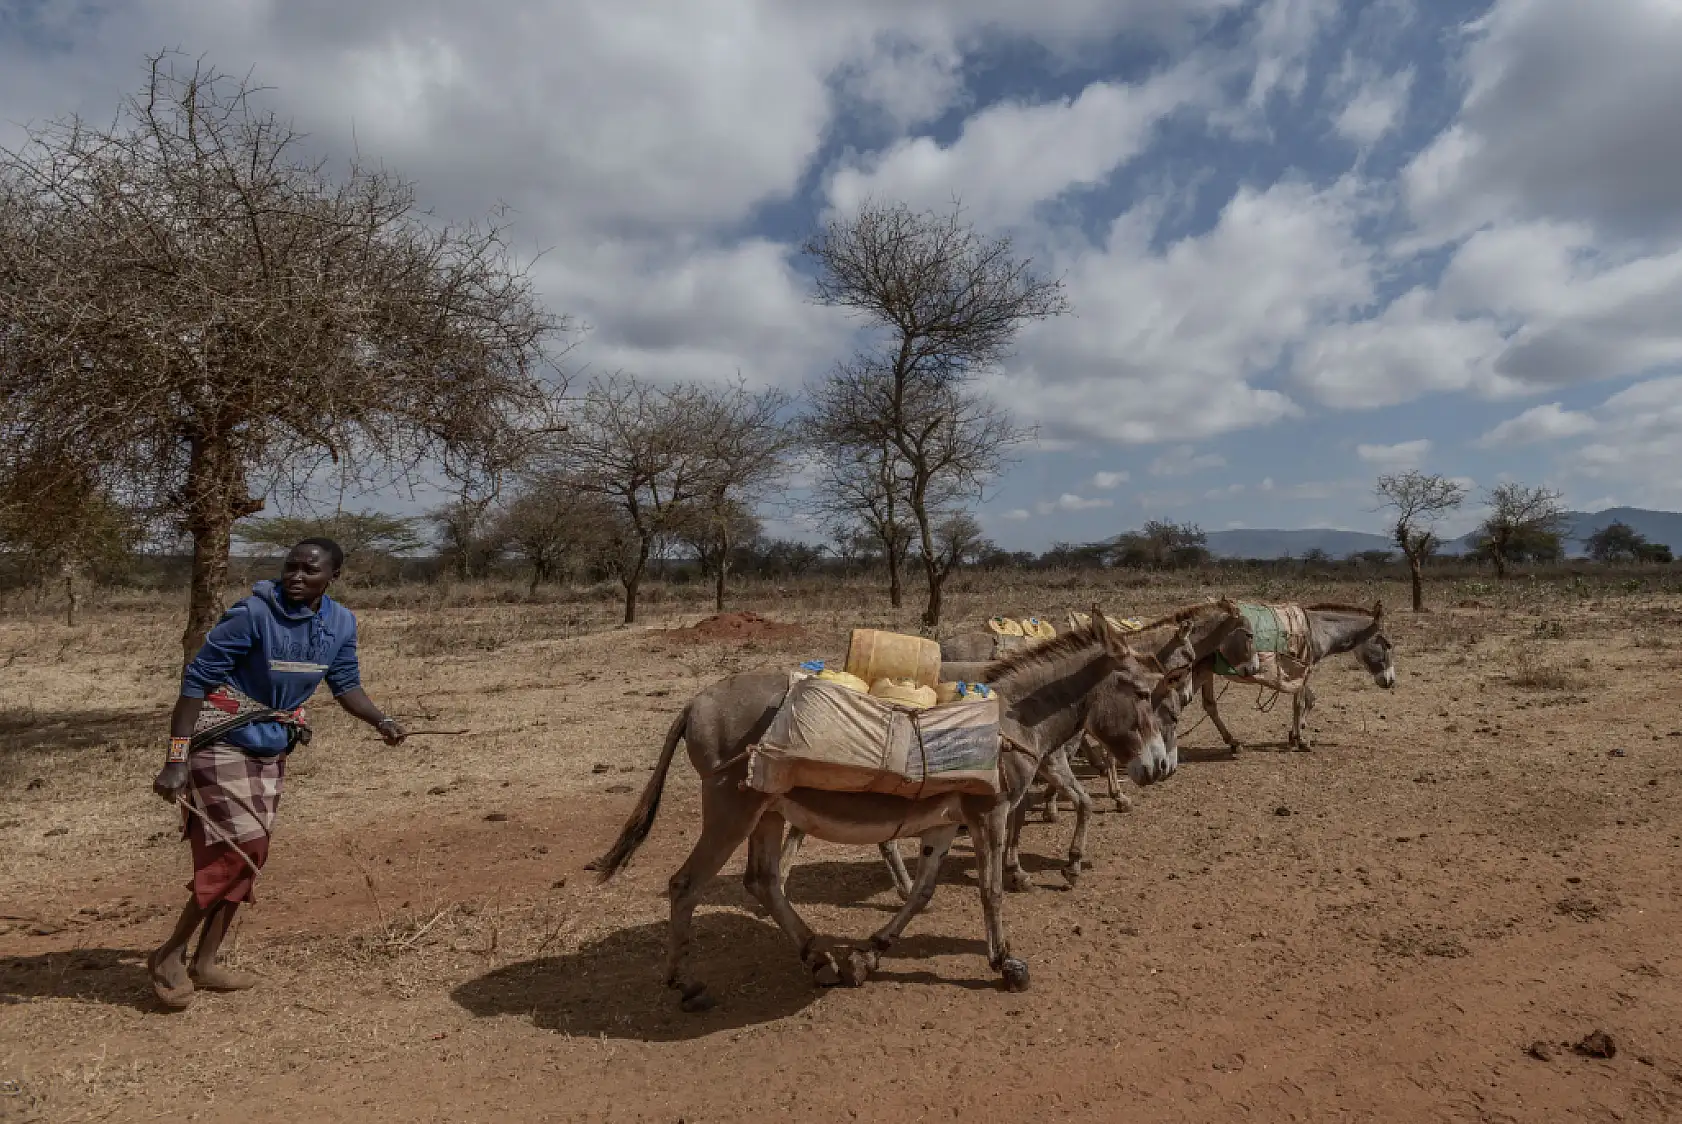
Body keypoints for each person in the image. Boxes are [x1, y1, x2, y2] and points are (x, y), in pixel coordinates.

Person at [146, 537, 406, 1009]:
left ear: (333, 577)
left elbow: (346, 685)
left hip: (271, 746)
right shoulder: (251, 615)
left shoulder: (340, 623)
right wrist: (175, 759)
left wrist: (381, 721)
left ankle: (205, 963)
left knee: (253, 852)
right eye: (291, 567)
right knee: (238, 847)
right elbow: (196, 683)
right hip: (220, 738)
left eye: (310, 570)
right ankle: (169, 954)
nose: (297, 577)